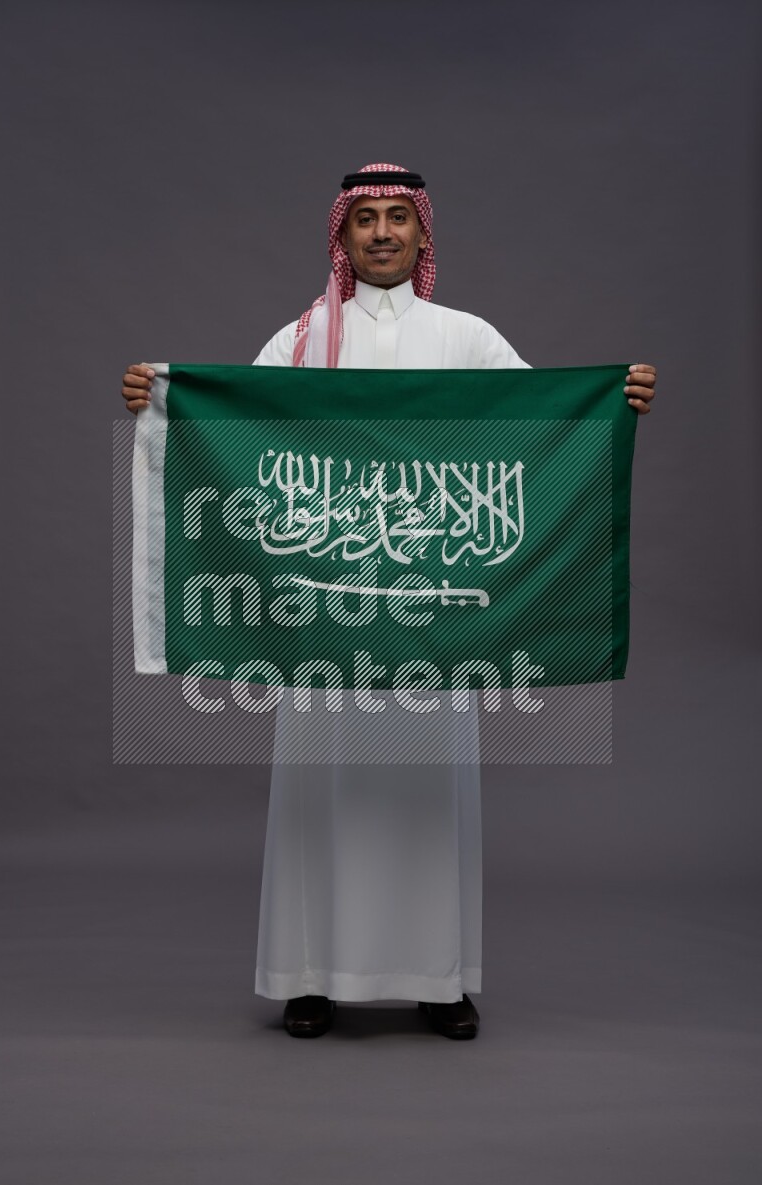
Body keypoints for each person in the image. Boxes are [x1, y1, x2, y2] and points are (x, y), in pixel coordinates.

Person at [122, 162, 657, 1040]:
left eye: (396, 219)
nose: (380, 234)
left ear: (422, 235)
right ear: (341, 235)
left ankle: (440, 982)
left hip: (431, 626)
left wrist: (616, 405)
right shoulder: (299, 341)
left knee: (425, 800)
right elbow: (235, 431)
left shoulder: (466, 336)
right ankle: (307, 978)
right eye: (363, 219)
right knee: (316, 795)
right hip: (321, 617)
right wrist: (163, 406)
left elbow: (544, 428)